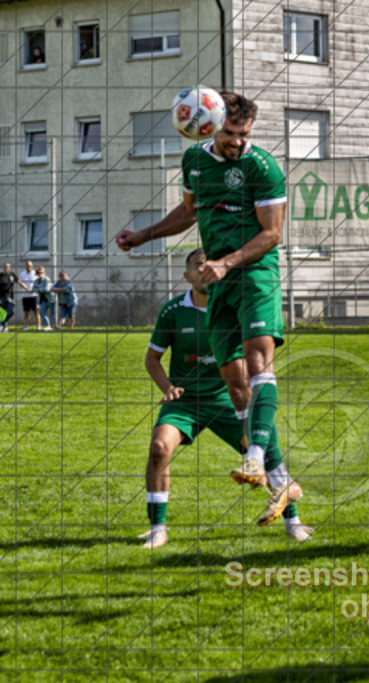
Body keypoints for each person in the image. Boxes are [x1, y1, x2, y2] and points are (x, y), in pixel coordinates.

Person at [116, 91, 301, 527]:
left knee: (258, 362)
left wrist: (226, 261)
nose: (239, 142)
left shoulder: (262, 167)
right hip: (217, 280)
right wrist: (143, 236)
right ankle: (285, 490)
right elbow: (188, 213)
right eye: (231, 134)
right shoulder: (195, 163)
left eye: (245, 134)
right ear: (210, 127)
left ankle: (254, 456)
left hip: (255, 271)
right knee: (237, 388)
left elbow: (272, 234)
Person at [141, 249, 312, 548]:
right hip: (186, 401)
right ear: (187, 275)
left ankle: (293, 522)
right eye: (197, 266)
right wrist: (167, 387)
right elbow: (152, 359)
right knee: (158, 448)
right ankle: (158, 529)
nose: (203, 270)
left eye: (208, 265)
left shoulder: (234, 311)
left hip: (227, 399)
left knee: (266, 450)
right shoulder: (172, 312)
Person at [32, 266, 56, 331]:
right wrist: (39, 289)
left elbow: (47, 289)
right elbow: (33, 289)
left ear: (44, 272)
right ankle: (48, 325)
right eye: (38, 272)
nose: (40, 274)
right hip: (43, 300)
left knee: (52, 313)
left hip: (51, 298)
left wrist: (39, 289)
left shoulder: (46, 279)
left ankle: (52, 326)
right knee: (42, 313)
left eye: (41, 272)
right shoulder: (36, 281)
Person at [19, 261, 39, 330]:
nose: (29, 267)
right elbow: (20, 283)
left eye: (30, 266)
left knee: (36, 312)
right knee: (26, 312)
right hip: (25, 296)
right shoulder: (22, 274)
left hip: (34, 296)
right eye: (27, 266)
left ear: (32, 266)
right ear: (25, 266)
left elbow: (38, 283)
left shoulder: (35, 274)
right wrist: (27, 289)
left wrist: (36, 290)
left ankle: (38, 326)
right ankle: (26, 326)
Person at [0, 263, 20, 332]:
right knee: (3, 314)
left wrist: (27, 289)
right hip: (1, 298)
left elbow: (19, 281)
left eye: (7, 267)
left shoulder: (12, 275)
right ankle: (5, 327)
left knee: (11, 311)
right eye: (5, 267)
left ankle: (1, 324)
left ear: (10, 268)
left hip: (10, 298)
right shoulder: (1, 275)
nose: (6, 268)